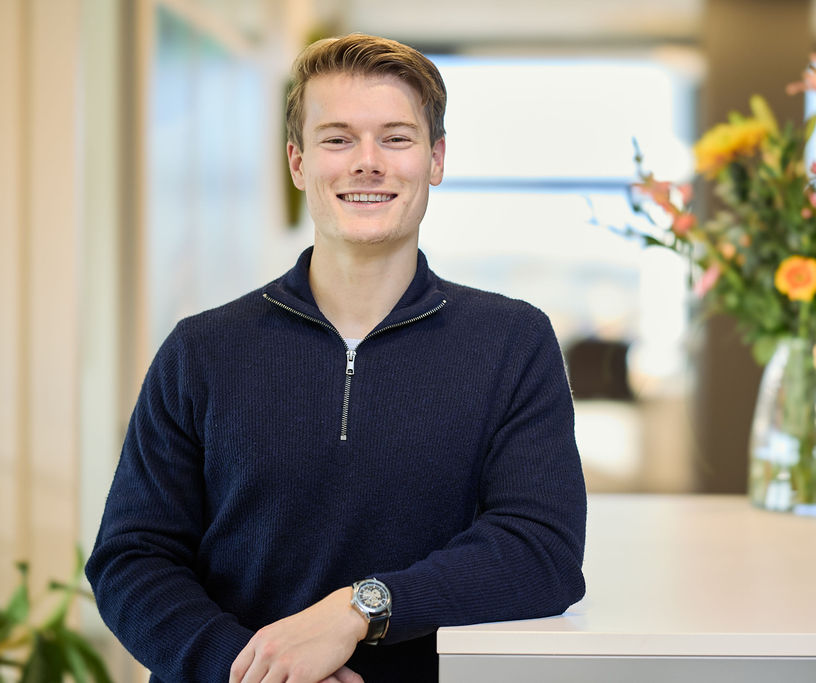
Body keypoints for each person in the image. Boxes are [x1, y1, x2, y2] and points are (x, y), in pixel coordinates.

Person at [85, 33, 587, 683]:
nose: (367, 162)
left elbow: (540, 550)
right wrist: (256, 672)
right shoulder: (200, 350)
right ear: (298, 163)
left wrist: (360, 607)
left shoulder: (513, 342)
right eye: (337, 138)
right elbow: (132, 558)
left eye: (397, 138)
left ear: (436, 159)